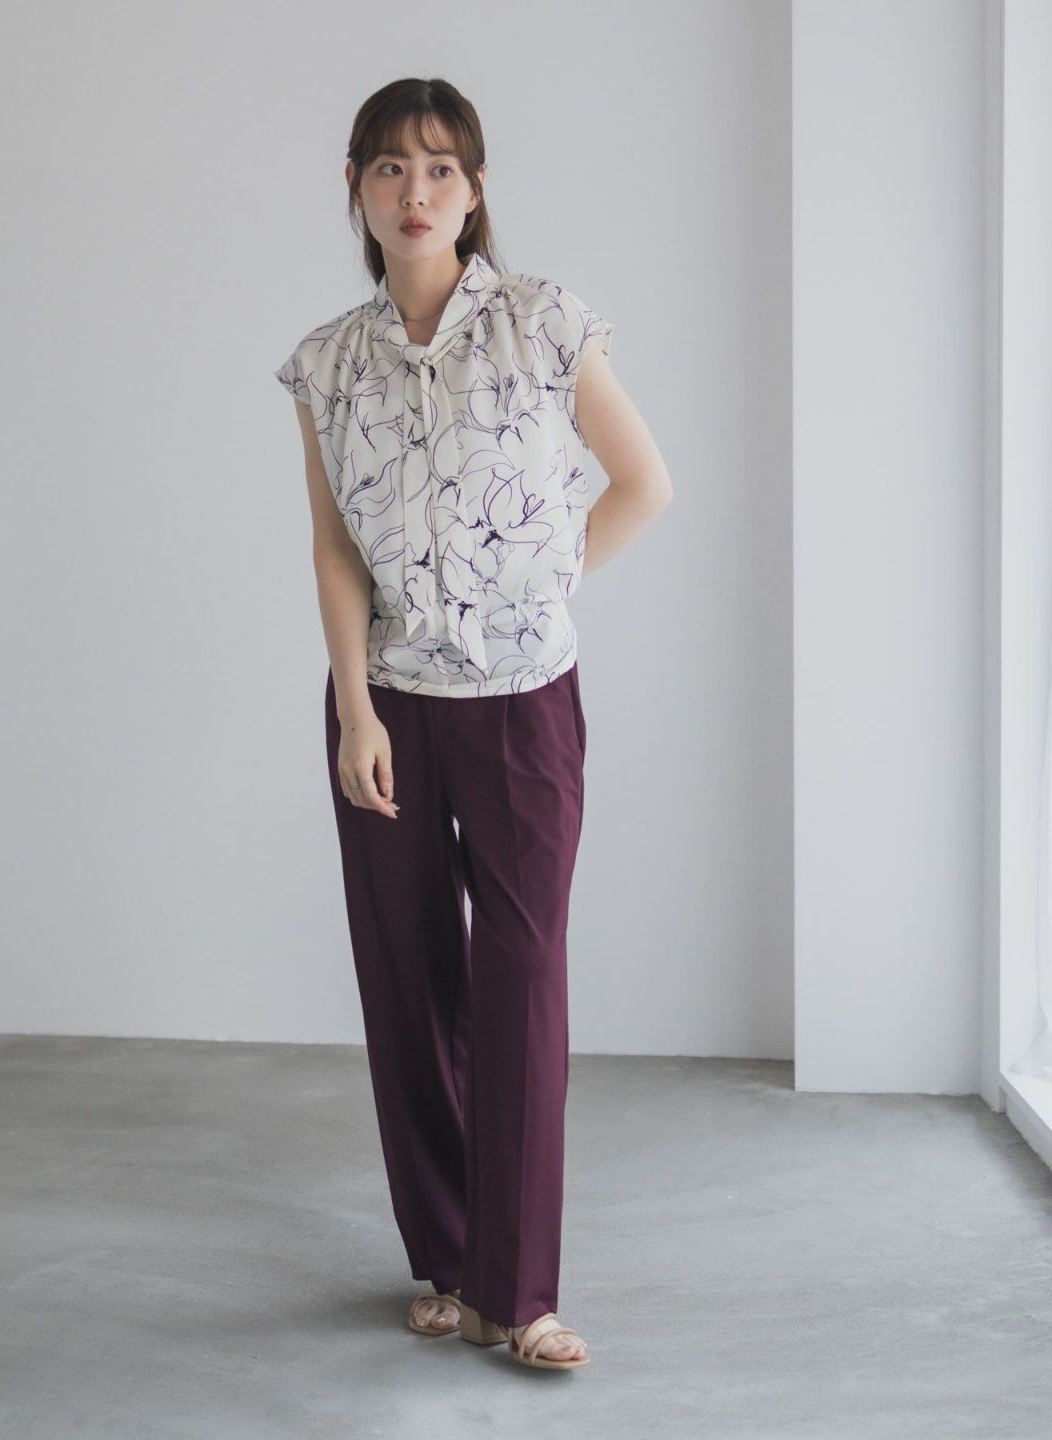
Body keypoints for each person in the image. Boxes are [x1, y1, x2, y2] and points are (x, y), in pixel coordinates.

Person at [274, 76, 672, 1371]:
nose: (416, 191)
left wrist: (538, 587)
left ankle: (523, 1291)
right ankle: (448, 1261)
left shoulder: (544, 322)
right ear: (354, 188)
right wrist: (354, 707)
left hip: (522, 706)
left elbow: (643, 482)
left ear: (477, 189)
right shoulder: (327, 363)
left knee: (521, 980)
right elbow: (335, 548)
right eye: (390, 167)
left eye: (441, 167)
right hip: (387, 706)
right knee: (410, 985)